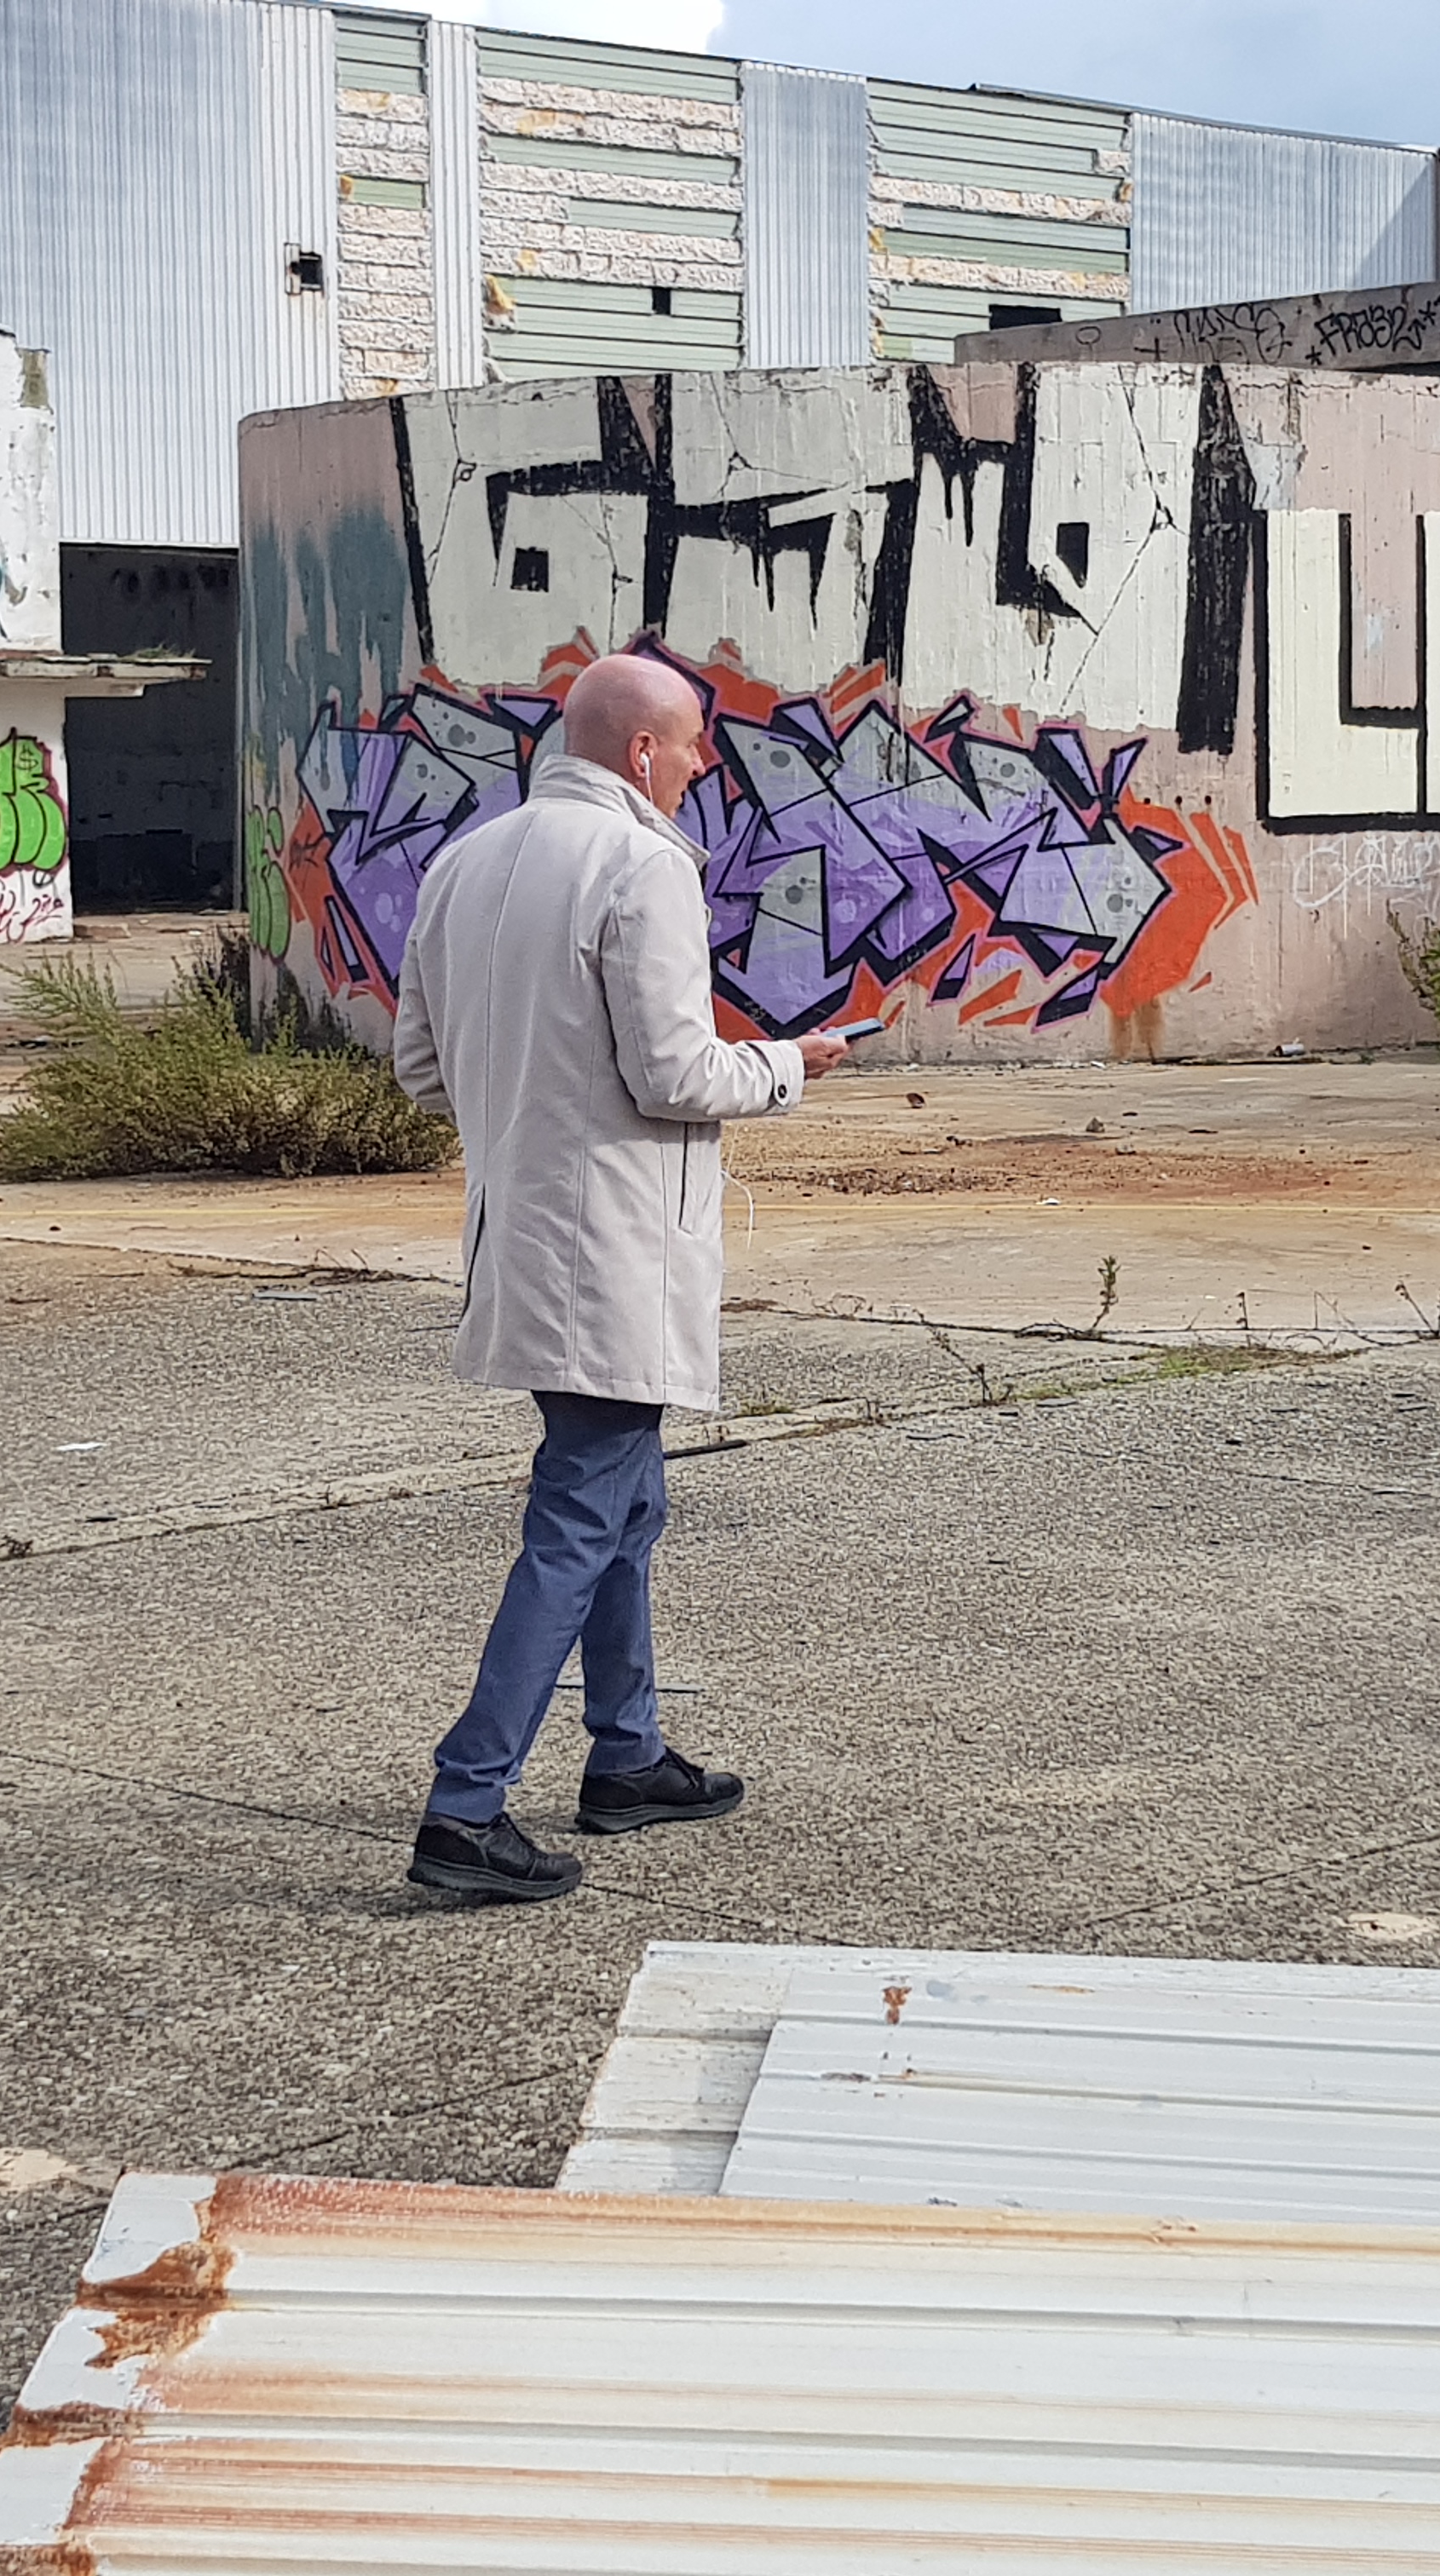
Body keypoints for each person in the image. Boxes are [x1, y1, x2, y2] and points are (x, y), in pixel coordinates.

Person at [389, 654, 856, 1903]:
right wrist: (788, 1063)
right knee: (584, 1515)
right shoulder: (644, 866)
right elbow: (674, 1074)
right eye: (694, 743)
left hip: (518, 1235)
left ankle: (628, 1754)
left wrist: (526, 1107)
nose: (703, 765)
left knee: (623, 1504)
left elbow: (422, 1072)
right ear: (643, 752)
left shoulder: (462, 862)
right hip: (613, 1251)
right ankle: (466, 1805)